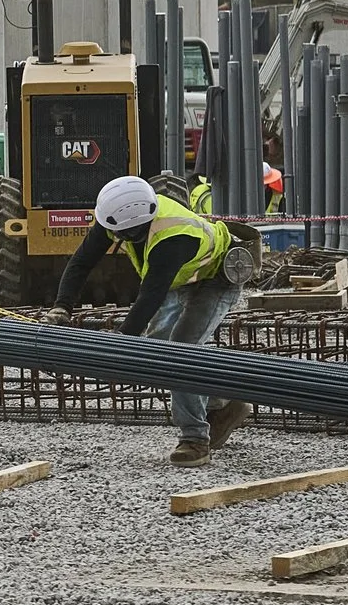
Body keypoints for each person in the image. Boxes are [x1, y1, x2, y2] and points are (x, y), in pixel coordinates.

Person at [42, 174, 249, 467]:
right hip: (182, 276)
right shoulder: (115, 218)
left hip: (216, 277)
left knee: (180, 352)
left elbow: (150, 297)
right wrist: (61, 308)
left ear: (134, 229)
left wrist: (121, 343)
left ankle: (194, 440)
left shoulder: (172, 237)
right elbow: (81, 262)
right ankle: (223, 404)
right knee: (155, 350)